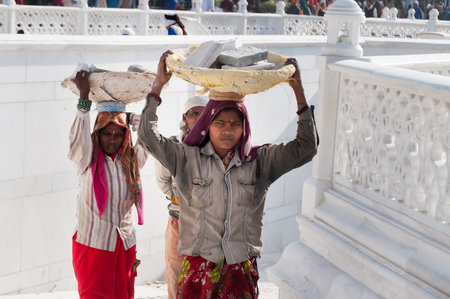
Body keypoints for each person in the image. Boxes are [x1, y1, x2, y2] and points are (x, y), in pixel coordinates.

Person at [138, 50, 318, 298]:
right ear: (207, 126)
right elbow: (148, 137)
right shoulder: (186, 158)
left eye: (235, 124)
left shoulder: (259, 162)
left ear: (244, 128)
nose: (227, 131)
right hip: (198, 272)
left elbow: (306, 147)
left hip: (240, 272)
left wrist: (298, 92)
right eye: (219, 123)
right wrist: (158, 86)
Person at [69, 70, 148, 299]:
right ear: (97, 134)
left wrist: (132, 117)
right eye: (106, 133)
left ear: (125, 136)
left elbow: (148, 138)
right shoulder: (86, 161)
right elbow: (77, 138)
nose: (112, 139)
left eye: (117, 134)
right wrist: (84, 96)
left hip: (124, 243)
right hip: (93, 244)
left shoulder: (132, 162)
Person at [155, 95, 208, 299]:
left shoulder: (217, 147)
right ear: (185, 118)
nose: (199, 118)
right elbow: (163, 182)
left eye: (203, 114)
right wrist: (182, 199)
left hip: (208, 225)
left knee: (205, 280)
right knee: (176, 277)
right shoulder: (174, 145)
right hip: (179, 221)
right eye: (194, 113)